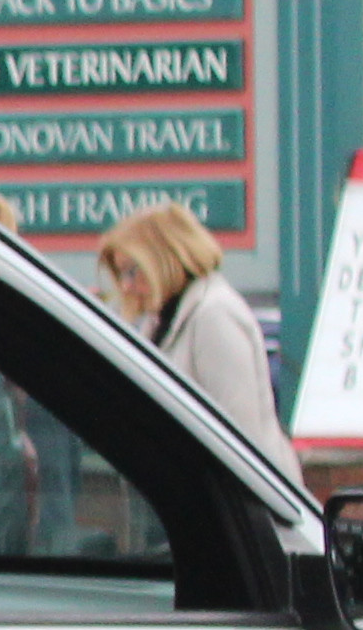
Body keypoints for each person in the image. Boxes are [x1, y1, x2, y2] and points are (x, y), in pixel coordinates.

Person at [95, 199, 296, 477]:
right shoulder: (162, 318)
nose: (127, 285)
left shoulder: (213, 315)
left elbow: (241, 440)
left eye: (133, 270)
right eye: (121, 274)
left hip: (236, 508)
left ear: (163, 260)